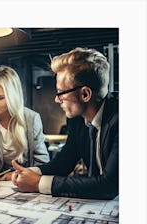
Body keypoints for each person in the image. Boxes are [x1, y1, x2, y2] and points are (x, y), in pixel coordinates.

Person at [12, 47, 119, 200]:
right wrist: (31, 172)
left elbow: (109, 186)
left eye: (61, 92)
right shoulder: (77, 120)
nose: (56, 100)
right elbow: (63, 164)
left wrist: (39, 183)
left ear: (85, 94)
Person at [0, 65, 49, 186]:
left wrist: (17, 174)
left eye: (0, 97)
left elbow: (42, 161)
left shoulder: (32, 118)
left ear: (12, 97)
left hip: (23, 184)